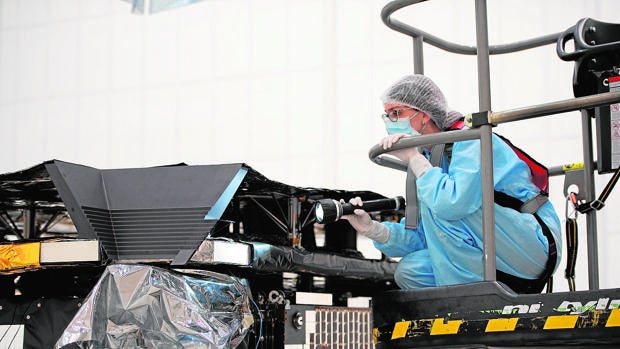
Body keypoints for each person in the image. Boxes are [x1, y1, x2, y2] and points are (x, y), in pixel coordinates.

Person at [342, 74, 562, 293]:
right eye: (387, 115)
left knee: (446, 205)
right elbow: (425, 236)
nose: (390, 121)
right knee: (410, 270)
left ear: (424, 115)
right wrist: (371, 228)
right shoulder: (429, 160)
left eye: (396, 113)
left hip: (531, 246)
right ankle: (473, 300)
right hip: (495, 258)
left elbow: (453, 204)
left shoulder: (471, 139)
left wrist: (413, 158)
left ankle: (468, 307)